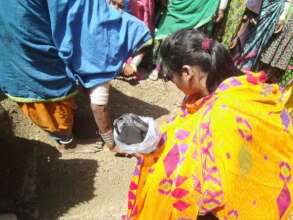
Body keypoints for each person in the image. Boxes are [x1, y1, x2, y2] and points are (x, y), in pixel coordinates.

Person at [125, 29, 293, 219]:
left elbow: (200, 180)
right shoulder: (244, 86)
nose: (172, 82)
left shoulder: (221, 115)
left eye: (170, 77)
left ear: (187, 72)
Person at [0, 0, 151, 153]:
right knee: (53, 91)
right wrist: (111, 144)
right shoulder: (101, 48)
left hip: (22, 18)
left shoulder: (96, 22)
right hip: (22, 43)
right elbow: (99, 107)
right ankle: (67, 143)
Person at [148, 0, 229, 81]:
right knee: (167, 31)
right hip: (178, 5)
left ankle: (178, 71)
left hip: (201, 6)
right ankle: (158, 68)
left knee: (191, 38)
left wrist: (222, 8)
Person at [230, 0, 291, 70]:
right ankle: (236, 63)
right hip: (260, 8)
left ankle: (246, 68)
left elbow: (287, 1)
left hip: (273, 12)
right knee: (247, 36)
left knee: (260, 41)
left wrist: (282, 18)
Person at [259, 0, 293, 87]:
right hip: (287, 22)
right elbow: (287, 2)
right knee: (273, 48)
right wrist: (282, 18)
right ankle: (262, 75)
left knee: (283, 53)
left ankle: (269, 77)